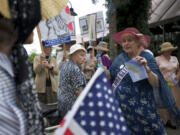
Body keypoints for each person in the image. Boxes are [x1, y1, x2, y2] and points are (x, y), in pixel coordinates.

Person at [0, 0, 68, 134]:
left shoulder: (19, 58)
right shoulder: (37, 57)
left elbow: (56, 71)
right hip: (42, 88)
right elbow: (35, 71)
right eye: (30, 8)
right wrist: (42, 64)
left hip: (51, 89)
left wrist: (50, 66)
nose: (37, 18)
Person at [110, 27, 167, 135]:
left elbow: (156, 83)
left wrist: (146, 68)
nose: (126, 43)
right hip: (126, 113)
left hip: (144, 112)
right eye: (124, 41)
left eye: (130, 40)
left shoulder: (147, 56)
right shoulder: (120, 58)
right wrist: (101, 69)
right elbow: (111, 74)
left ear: (137, 42)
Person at [58, 44, 87, 117]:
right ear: (73, 55)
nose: (84, 58)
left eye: (84, 56)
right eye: (81, 55)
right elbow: (79, 92)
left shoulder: (65, 65)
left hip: (62, 104)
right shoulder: (75, 69)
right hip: (72, 106)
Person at [156, 42, 180, 128]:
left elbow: (178, 70)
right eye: (167, 50)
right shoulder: (157, 59)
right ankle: (165, 121)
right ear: (163, 51)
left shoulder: (174, 58)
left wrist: (177, 76)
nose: (169, 51)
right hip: (162, 84)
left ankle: (173, 121)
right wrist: (162, 80)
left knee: (174, 102)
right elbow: (155, 72)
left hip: (174, 84)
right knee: (163, 103)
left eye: (170, 50)